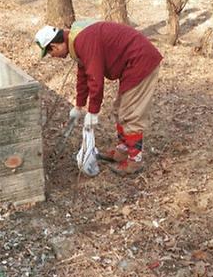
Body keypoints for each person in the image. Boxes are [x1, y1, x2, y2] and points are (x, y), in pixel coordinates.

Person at [34, 21, 162, 175]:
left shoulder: (83, 41)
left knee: (130, 113)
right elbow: (83, 75)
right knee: (119, 109)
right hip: (131, 64)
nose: (53, 56)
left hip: (141, 61)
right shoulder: (76, 40)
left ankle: (135, 161)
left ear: (55, 46)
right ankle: (123, 150)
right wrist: (79, 106)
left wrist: (93, 112)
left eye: (50, 53)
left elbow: (95, 79)